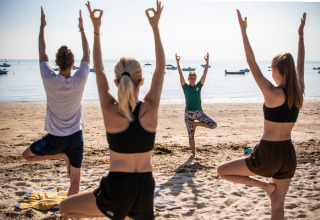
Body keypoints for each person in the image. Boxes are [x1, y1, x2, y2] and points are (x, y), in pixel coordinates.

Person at [59, 0, 165, 219]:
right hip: (146, 188)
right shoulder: (151, 109)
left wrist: (96, 30)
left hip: (117, 188)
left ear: (116, 83)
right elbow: (161, 68)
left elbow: (97, 69)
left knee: (65, 207)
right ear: (141, 81)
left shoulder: (110, 109)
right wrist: (155, 28)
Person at [217, 10, 306, 220]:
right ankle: (266, 188)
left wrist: (243, 31)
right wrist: (301, 36)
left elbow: (251, 62)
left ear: (275, 70)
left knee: (222, 171)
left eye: (271, 68)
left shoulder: (272, 93)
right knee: (278, 206)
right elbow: (300, 66)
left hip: (268, 153)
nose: (270, 72)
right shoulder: (298, 92)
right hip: (288, 154)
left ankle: (263, 186)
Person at [21, 7, 90, 197]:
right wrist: (82, 29)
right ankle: (66, 217)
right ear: (73, 62)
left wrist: (42, 27)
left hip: (55, 138)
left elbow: (42, 53)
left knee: (26, 155)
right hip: (76, 137)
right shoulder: (80, 79)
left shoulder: (49, 78)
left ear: (57, 63)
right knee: (75, 180)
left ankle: (60, 155)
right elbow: (88, 54)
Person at [175, 53, 217, 157]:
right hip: (188, 114)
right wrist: (177, 63)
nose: (193, 79)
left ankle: (196, 124)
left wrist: (207, 63)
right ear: (188, 79)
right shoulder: (185, 87)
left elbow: (204, 74)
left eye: (194, 77)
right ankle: (193, 154)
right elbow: (180, 75)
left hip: (199, 113)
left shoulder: (199, 86)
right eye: (191, 78)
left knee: (213, 125)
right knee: (191, 135)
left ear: (195, 78)